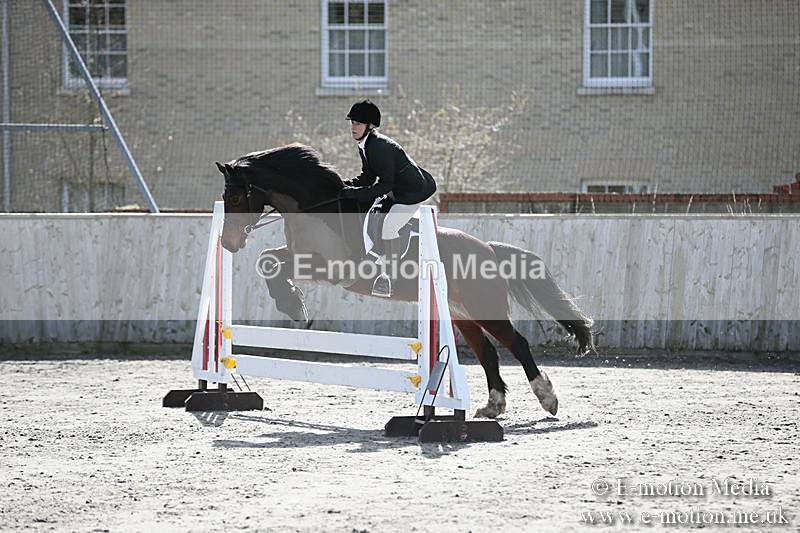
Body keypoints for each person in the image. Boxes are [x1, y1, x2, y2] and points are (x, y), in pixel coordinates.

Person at [340, 99, 436, 297]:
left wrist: (356, 194)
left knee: (389, 226)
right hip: (397, 190)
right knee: (373, 215)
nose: (353, 127)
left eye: (358, 123)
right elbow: (367, 176)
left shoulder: (379, 148)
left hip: (412, 193)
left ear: (369, 126)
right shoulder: (365, 144)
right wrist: (345, 185)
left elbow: (385, 185)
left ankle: (389, 278)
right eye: (352, 123)